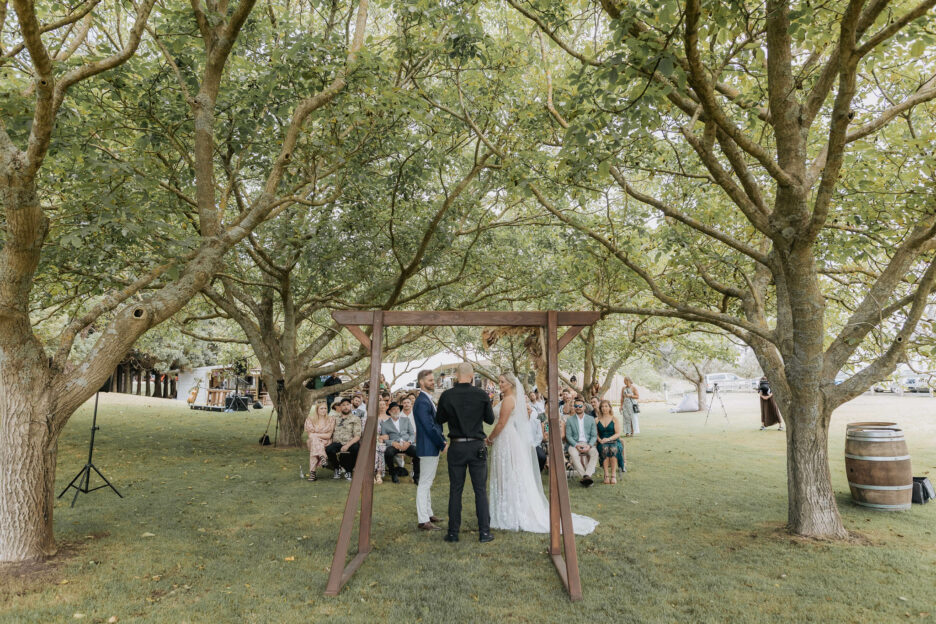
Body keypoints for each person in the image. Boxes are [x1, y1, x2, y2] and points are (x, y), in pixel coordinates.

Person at [488, 373, 598, 534]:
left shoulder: (509, 400)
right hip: (508, 437)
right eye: (499, 381)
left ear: (511, 384)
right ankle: (506, 508)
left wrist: (489, 438)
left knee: (509, 472)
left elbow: (501, 423)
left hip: (506, 437)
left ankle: (512, 512)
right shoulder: (510, 399)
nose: (500, 384)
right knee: (509, 473)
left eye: (502, 381)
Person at [435, 362, 496, 543]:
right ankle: (484, 532)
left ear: (456, 375)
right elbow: (490, 419)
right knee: (480, 491)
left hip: (457, 445)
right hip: (477, 445)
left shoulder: (447, 395)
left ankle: (453, 533)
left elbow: (440, 419)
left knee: (456, 490)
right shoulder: (481, 394)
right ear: (472, 376)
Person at [413, 370, 446, 531]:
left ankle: (429, 513)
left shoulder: (427, 399)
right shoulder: (421, 402)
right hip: (428, 446)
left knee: (428, 481)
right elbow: (429, 427)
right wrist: (442, 443)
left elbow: (435, 424)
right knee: (424, 483)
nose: (433, 382)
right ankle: (423, 520)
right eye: (430, 380)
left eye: (433, 379)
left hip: (430, 446)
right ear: (421, 382)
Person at [380, 402, 419, 484]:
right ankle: (393, 473)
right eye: (393, 409)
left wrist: (409, 442)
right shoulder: (384, 424)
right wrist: (393, 443)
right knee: (388, 453)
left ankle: (416, 476)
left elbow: (412, 434)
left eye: (397, 409)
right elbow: (385, 439)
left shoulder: (406, 420)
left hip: (406, 444)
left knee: (417, 452)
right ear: (390, 412)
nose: (396, 411)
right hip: (395, 445)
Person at [565, 397, 599, 487]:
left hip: (588, 444)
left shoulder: (591, 419)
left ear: (584, 407)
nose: (578, 407)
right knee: (573, 453)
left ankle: (587, 475)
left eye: (580, 406)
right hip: (575, 444)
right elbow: (568, 436)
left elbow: (594, 435)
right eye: (576, 406)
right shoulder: (570, 420)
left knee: (595, 453)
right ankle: (585, 475)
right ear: (574, 407)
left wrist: (589, 445)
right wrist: (576, 445)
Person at [325, 397, 361, 481]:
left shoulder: (355, 419)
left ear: (351, 406)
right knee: (329, 449)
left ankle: (348, 470)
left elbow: (357, 436)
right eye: (343, 405)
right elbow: (329, 430)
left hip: (350, 442)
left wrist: (347, 445)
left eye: (348, 405)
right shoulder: (335, 418)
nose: (346, 407)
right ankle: (337, 468)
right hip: (337, 442)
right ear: (340, 407)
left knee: (355, 448)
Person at [596, 400, 625, 483]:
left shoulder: (614, 419)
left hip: (614, 441)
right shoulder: (597, 420)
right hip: (602, 442)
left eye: (606, 406)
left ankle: (613, 475)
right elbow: (596, 434)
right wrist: (600, 440)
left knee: (613, 448)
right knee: (605, 449)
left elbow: (618, 433)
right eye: (602, 406)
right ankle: (606, 475)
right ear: (600, 408)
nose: (604, 408)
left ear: (609, 408)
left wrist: (608, 439)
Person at [304, 403, 334, 481]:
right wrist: (319, 436)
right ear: (317, 409)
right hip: (314, 441)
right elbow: (310, 435)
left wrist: (316, 435)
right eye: (321, 408)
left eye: (325, 408)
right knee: (314, 442)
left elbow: (328, 436)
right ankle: (322, 457)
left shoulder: (331, 419)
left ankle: (312, 474)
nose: (324, 410)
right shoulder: (310, 419)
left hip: (326, 441)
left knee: (314, 444)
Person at [527, 401, 547, 472]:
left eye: (528, 409)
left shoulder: (536, 422)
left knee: (542, 457)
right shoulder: (518, 423)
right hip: (522, 446)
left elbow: (540, 436)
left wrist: (533, 445)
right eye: (525, 409)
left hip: (535, 445)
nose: (526, 411)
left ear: (531, 411)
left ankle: (538, 472)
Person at [374, 398, 390, 484]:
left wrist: (385, 438)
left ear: (386, 406)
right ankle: (377, 474)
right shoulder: (374, 418)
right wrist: (378, 438)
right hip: (376, 440)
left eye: (384, 404)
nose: (382, 406)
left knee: (380, 448)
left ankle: (378, 473)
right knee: (376, 448)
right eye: (380, 405)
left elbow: (393, 433)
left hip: (387, 441)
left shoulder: (390, 418)